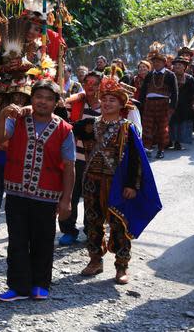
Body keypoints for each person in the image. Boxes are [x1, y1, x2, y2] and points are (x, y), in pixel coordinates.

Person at [0, 80, 75, 302]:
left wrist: (66, 200)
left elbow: (69, 166)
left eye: (49, 98)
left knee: (43, 240)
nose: (43, 102)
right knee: (17, 240)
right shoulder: (17, 120)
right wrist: (2, 116)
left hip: (47, 196)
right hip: (16, 193)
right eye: (39, 96)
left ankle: (40, 284)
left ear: (56, 103)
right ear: (32, 98)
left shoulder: (65, 130)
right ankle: (18, 287)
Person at [79, 76, 162, 284]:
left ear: (121, 104)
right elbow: (65, 125)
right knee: (91, 220)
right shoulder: (89, 125)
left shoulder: (127, 128)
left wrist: (131, 185)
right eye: (104, 99)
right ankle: (95, 259)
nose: (107, 103)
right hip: (92, 181)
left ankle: (121, 266)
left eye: (112, 100)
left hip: (116, 184)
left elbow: (136, 160)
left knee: (119, 223)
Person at [60, 71, 102, 246]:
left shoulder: (106, 105)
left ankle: (90, 229)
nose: (90, 86)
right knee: (70, 194)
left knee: (93, 197)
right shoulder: (75, 104)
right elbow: (65, 125)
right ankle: (69, 230)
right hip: (74, 157)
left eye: (94, 83)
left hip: (96, 160)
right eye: (87, 82)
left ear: (101, 85)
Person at [138, 43, 178, 160]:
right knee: (147, 127)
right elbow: (143, 91)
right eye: (154, 62)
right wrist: (141, 104)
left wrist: (172, 107)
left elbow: (175, 93)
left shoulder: (170, 75)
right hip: (149, 104)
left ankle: (161, 149)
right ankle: (147, 148)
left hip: (163, 105)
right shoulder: (149, 75)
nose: (156, 64)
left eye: (158, 62)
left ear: (164, 62)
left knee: (162, 128)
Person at [169, 57, 194, 149]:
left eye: (180, 65)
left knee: (183, 123)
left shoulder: (189, 78)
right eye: (175, 65)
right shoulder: (170, 77)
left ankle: (179, 142)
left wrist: (193, 103)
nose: (177, 66)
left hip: (186, 105)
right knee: (172, 123)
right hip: (172, 104)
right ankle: (170, 141)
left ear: (184, 67)